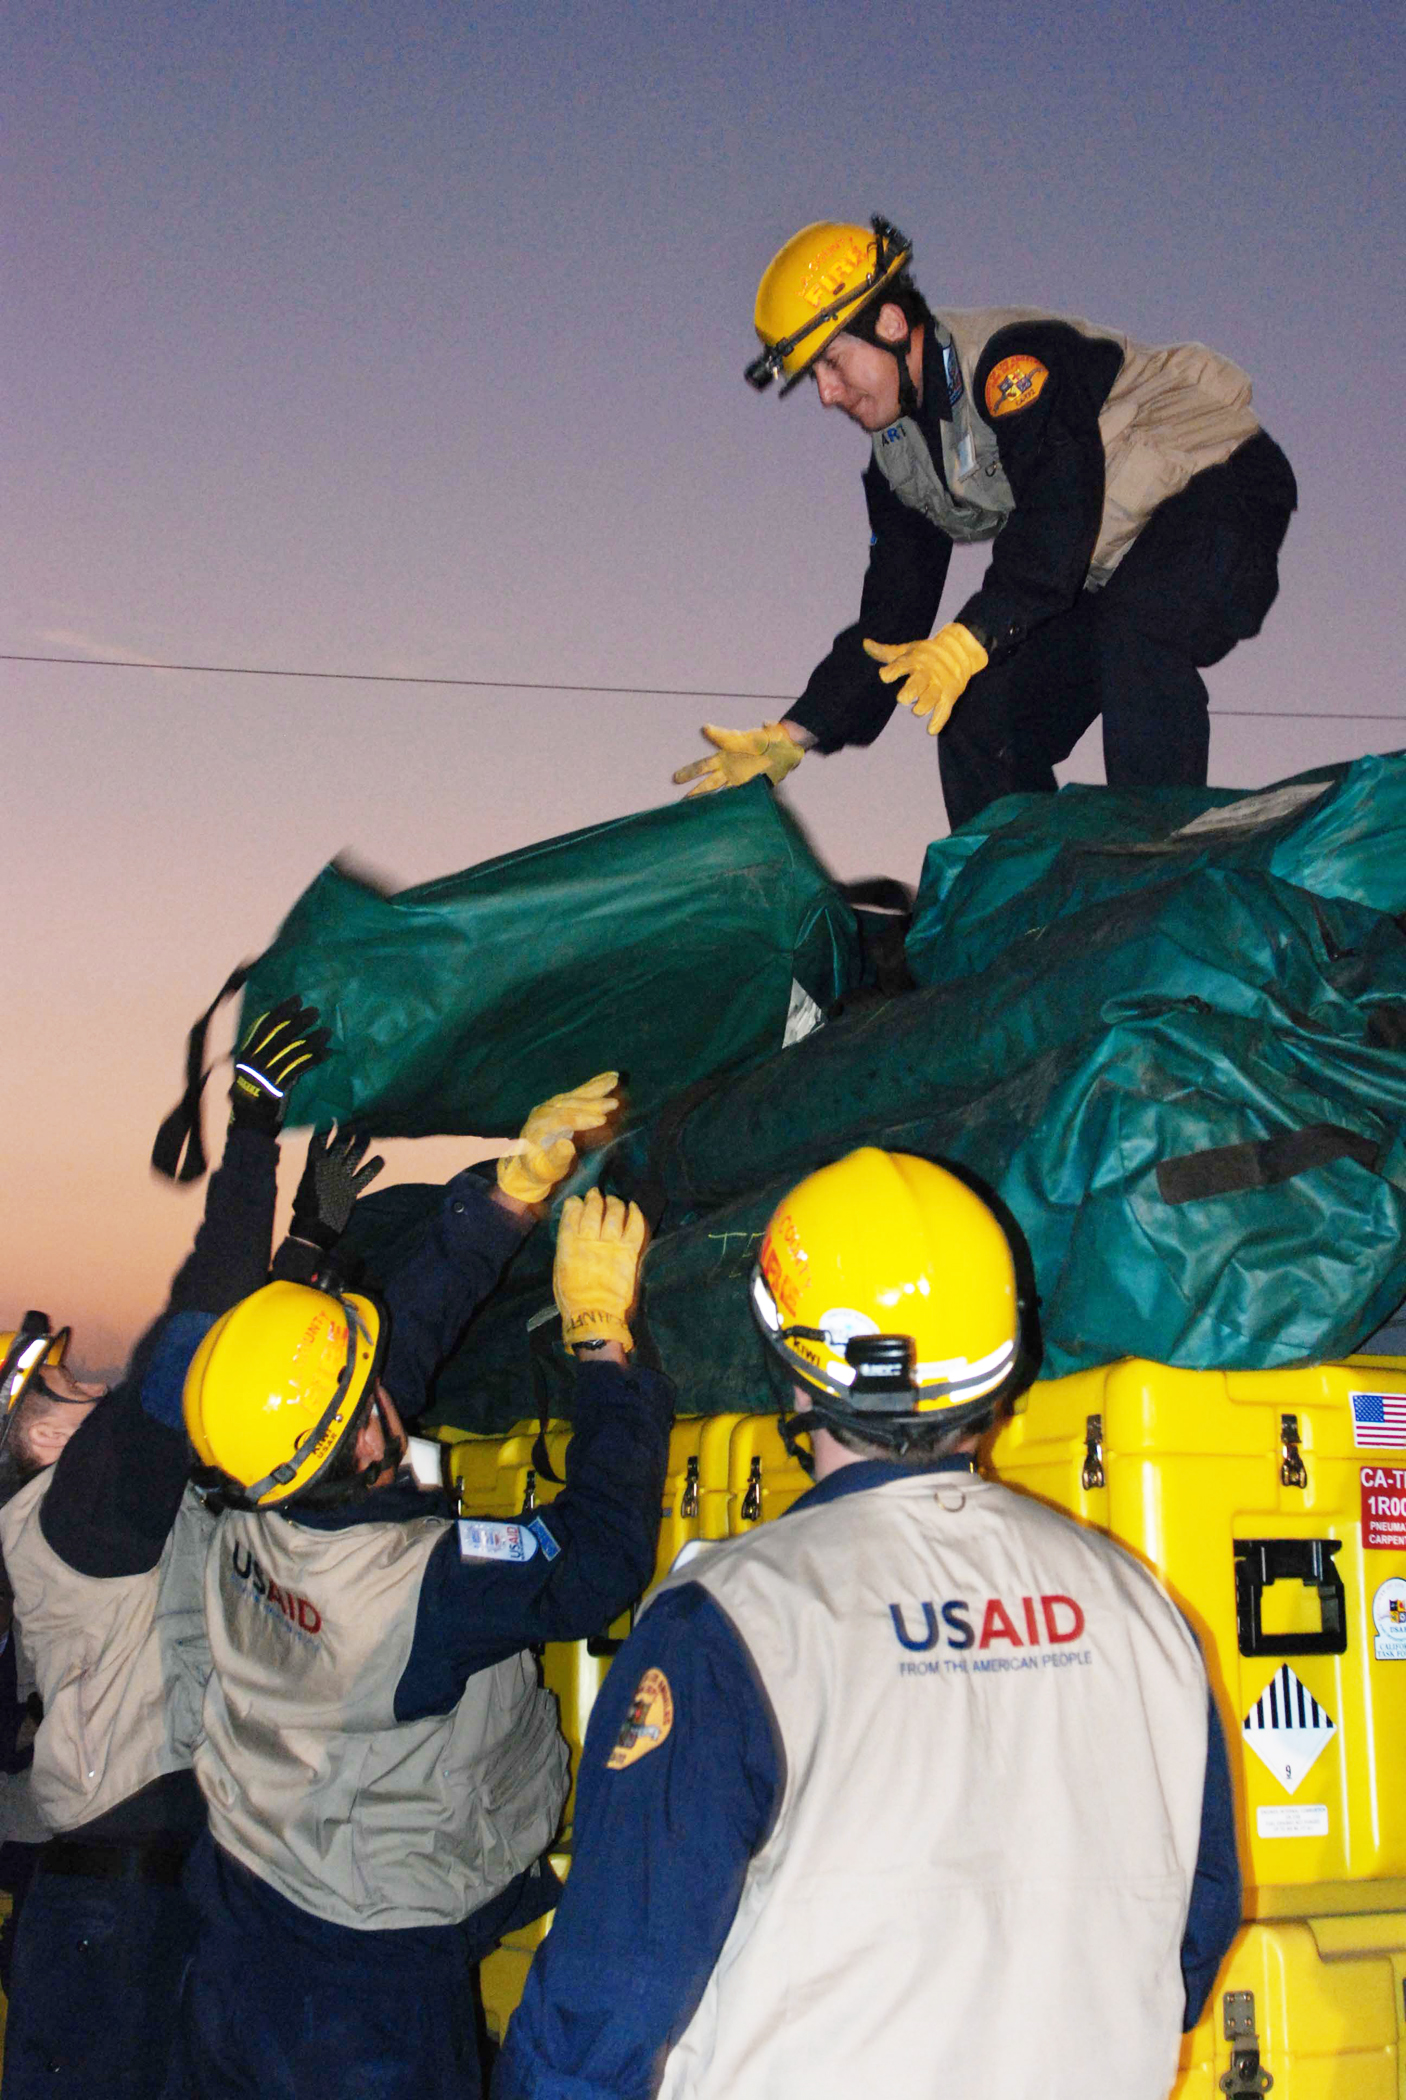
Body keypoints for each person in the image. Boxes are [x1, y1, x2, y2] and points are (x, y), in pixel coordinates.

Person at [494, 1147, 1241, 2099]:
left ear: (786, 1361)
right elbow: (1190, 1939)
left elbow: (597, 2022)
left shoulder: (729, 1626)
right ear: (1003, 1358)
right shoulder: (1145, 1616)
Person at [165, 1080, 675, 2100]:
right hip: (363, 1987)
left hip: (234, 1917)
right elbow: (602, 1552)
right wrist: (599, 1342)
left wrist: (507, 1194)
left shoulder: (245, 1487)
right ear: (362, 1437)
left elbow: (394, 1353)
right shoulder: (412, 1591)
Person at [674, 215, 1297, 832]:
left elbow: (1060, 505)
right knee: (977, 713)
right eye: (814, 376)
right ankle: (1019, 907)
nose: (826, 394)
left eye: (832, 363)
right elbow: (891, 619)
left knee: (1137, 629)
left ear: (890, 324)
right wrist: (793, 734)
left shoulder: (1007, 363)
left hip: (1221, 483)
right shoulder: (899, 460)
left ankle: (1168, 860)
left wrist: (973, 634)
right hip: (1104, 560)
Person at [0, 996, 335, 2100]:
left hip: (164, 1896)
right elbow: (190, 1342)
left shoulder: (119, 1505)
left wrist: (307, 1255)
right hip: (111, 1918)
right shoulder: (83, 1511)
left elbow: (234, 1375)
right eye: (56, 1383)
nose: (80, 1381)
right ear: (37, 1437)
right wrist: (250, 1139)